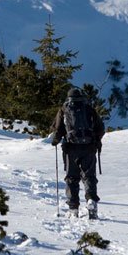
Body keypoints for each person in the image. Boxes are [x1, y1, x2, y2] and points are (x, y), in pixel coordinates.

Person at [51, 86, 105, 218]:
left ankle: (73, 208)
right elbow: (100, 128)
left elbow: (58, 129)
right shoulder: (89, 109)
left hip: (71, 148)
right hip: (89, 147)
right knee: (89, 176)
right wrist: (96, 140)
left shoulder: (64, 109)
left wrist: (55, 141)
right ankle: (91, 200)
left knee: (72, 178)